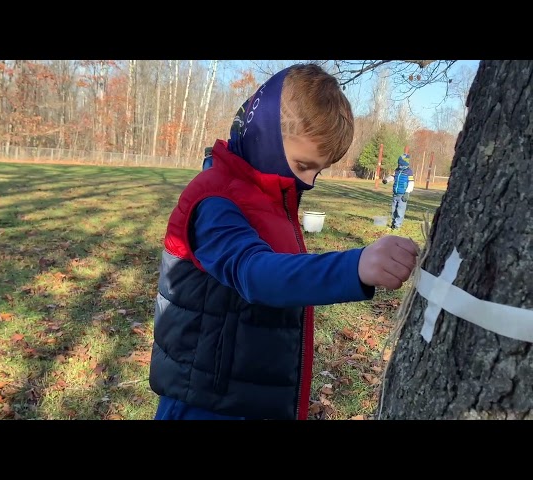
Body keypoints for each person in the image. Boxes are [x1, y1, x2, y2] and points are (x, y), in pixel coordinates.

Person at [149, 63, 419, 420]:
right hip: (205, 402)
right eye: (302, 164)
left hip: (250, 397)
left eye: (317, 170)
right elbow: (254, 273)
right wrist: (355, 266)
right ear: (263, 135)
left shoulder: (270, 198)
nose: (309, 182)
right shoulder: (214, 200)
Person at [382, 154, 415, 229]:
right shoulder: (397, 170)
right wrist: (386, 180)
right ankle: (393, 224)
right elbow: (393, 177)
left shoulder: (409, 172)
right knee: (394, 210)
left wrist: (407, 192)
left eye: (401, 164)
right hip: (395, 194)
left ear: (405, 164)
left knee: (400, 210)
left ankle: (397, 225)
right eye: (399, 164)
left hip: (403, 195)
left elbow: (411, 183)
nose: (399, 165)